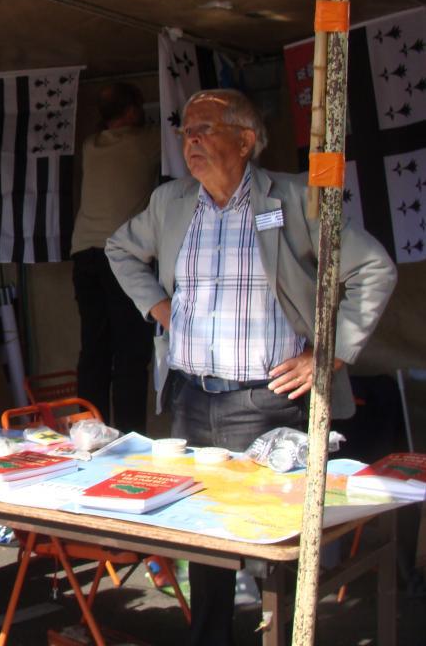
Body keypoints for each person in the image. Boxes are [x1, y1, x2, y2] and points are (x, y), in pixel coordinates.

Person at [106, 89, 397, 645]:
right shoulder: (172, 203)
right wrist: (160, 307)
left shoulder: (295, 198)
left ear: (244, 140)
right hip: (192, 397)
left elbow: (374, 270)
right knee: (203, 540)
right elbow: (119, 249)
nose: (190, 141)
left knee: (274, 545)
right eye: (186, 131)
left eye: (204, 130)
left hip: (267, 401)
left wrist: (330, 355)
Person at [70, 82, 159, 433]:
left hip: (84, 254)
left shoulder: (91, 145)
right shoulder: (147, 142)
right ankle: (130, 435)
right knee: (131, 351)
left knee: (94, 348)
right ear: (133, 111)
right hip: (122, 256)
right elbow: (178, 134)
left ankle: (88, 430)